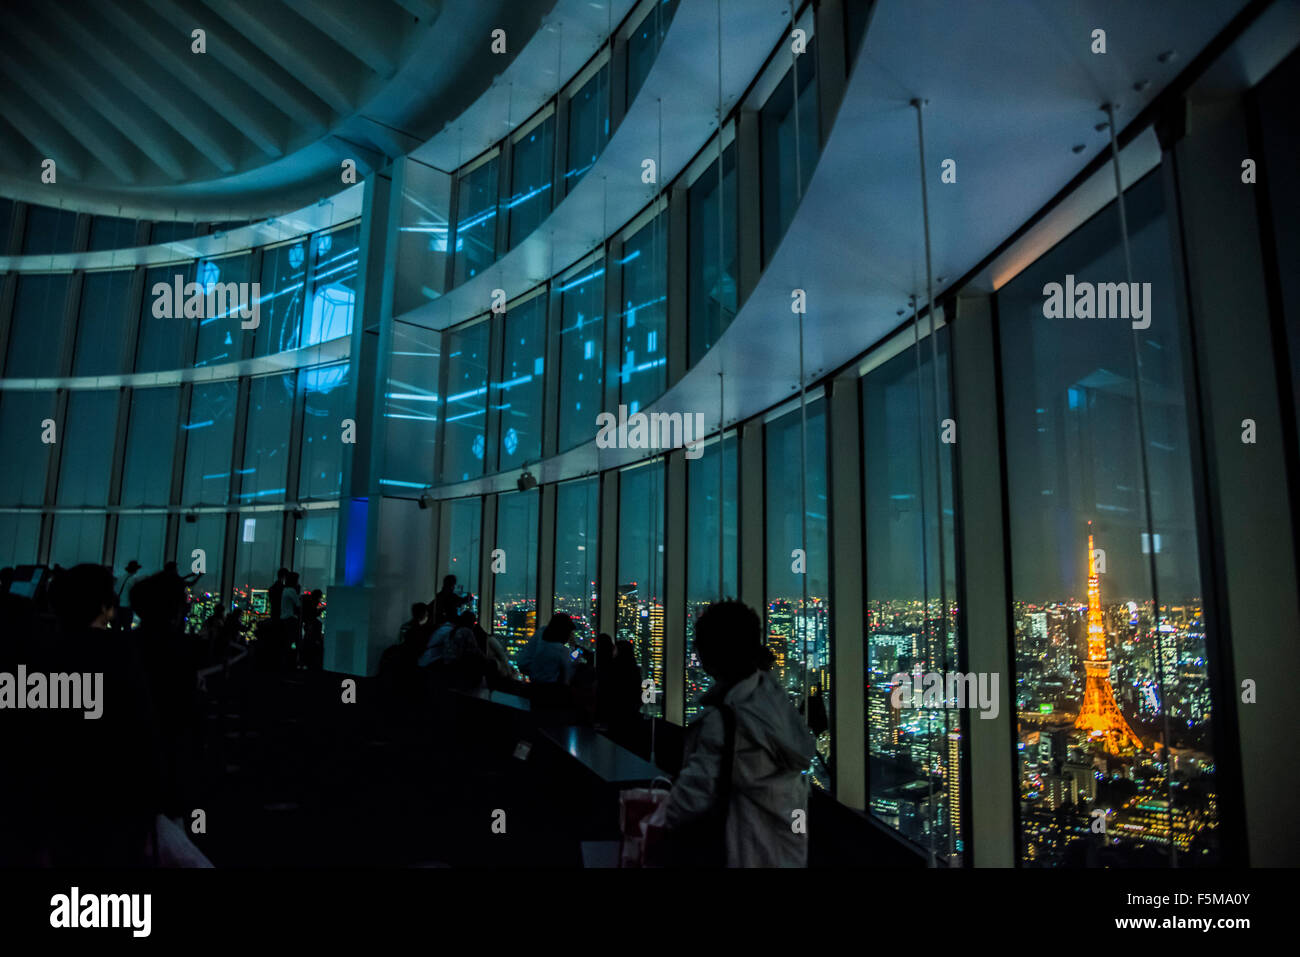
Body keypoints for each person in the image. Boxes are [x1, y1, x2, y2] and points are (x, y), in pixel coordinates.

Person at [646, 600, 816, 868]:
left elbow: (690, 800)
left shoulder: (727, 721)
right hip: (786, 856)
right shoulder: (773, 702)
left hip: (741, 854)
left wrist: (648, 823)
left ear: (710, 657)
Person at [113, 559, 146, 631]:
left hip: (117, 607)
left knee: (116, 628)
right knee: (127, 628)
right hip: (127, 607)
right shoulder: (133, 580)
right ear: (136, 570)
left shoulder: (120, 578)